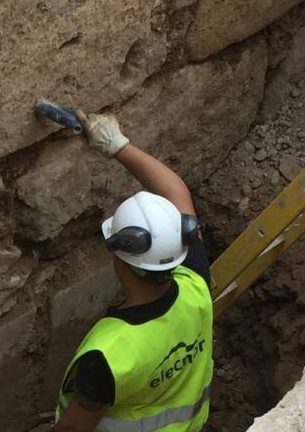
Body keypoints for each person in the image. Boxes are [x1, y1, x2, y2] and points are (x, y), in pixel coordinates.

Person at [53, 112, 214, 431]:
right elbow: (177, 194)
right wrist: (116, 145)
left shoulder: (108, 356)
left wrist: (116, 145)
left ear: (119, 258)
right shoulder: (195, 285)